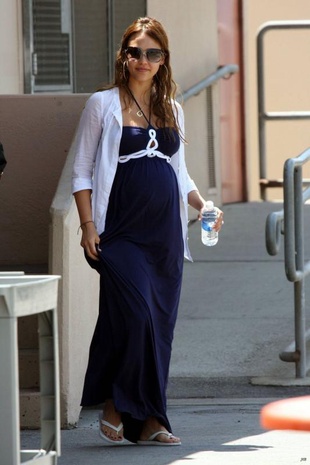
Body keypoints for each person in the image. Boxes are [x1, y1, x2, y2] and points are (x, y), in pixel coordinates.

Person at [72, 16, 223, 446]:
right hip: (118, 229)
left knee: (158, 323)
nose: (143, 59)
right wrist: (87, 226)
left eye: (152, 52)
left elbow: (181, 173)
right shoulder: (102, 104)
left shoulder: (172, 107)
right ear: (124, 56)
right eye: (135, 51)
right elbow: (82, 171)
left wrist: (204, 205)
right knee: (136, 315)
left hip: (164, 236)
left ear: (163, 59)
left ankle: (153, 418)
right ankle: (117, 404)